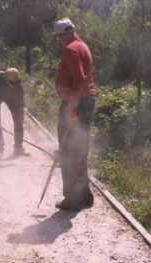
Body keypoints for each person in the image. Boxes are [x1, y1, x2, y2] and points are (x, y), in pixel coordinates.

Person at [53, 18, 97, 211]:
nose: (58, 40)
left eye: (58, 37)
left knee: (68, 150)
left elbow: (79, 80)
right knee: (79, 149)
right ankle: (85, 195)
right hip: (84, 101)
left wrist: (72, 107)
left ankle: (72, 198)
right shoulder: (81, 45)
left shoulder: (71, 50)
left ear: (64, 34)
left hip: (76, 103)